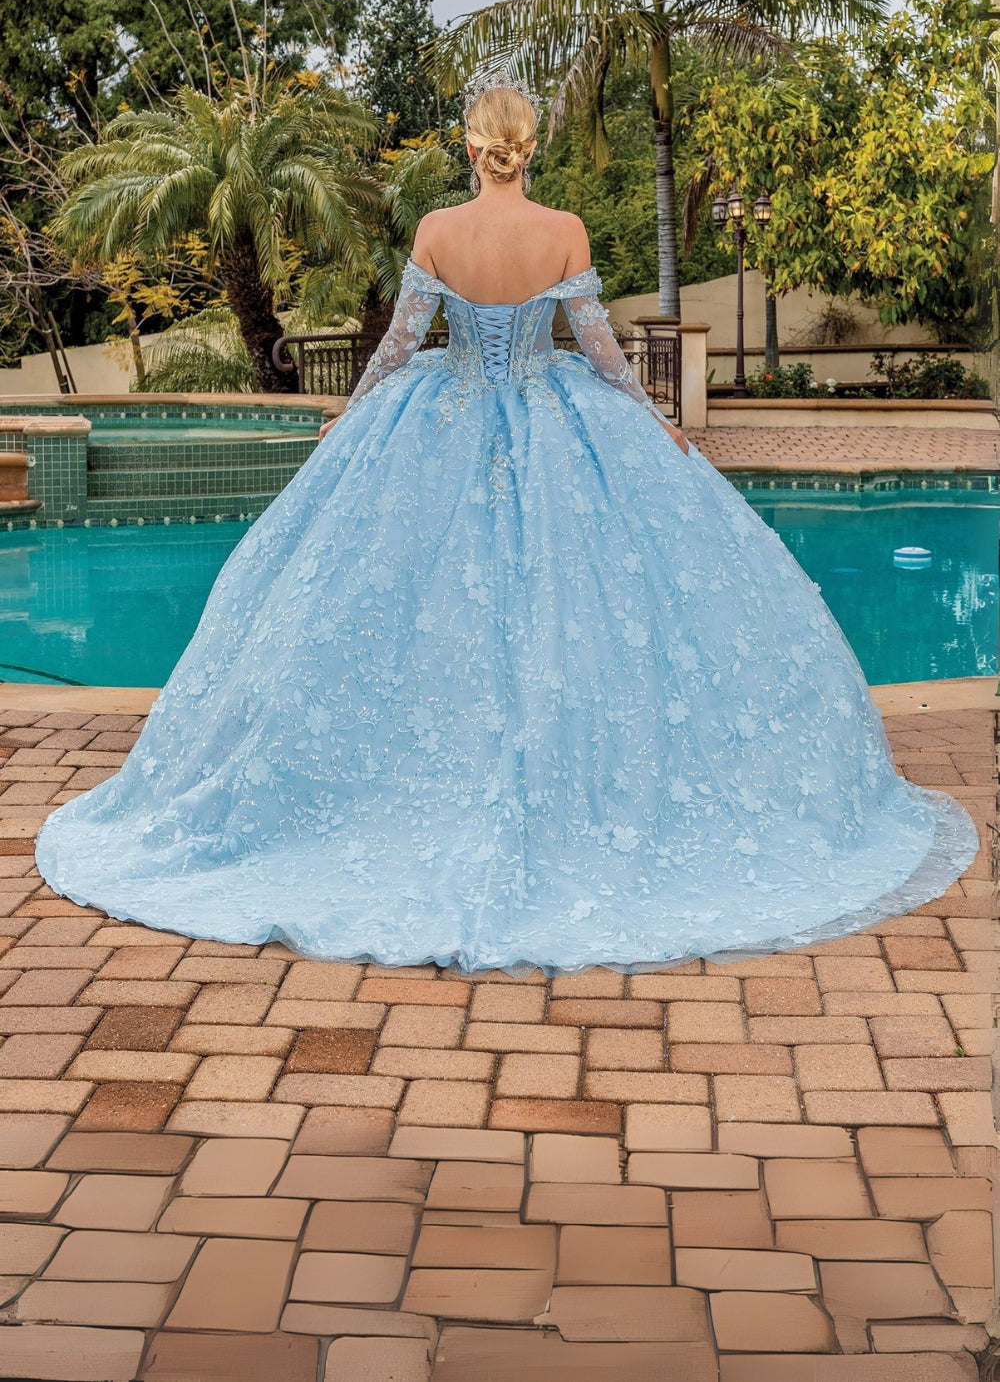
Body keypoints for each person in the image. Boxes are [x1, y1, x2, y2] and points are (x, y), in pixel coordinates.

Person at [35, 74, 977, 975]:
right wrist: (657, 423)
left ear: (472, 149)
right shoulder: (564, 229)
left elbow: (403, 343)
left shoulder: (439, 230)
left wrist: (352, 414)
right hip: (552, 413)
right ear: (529, 150)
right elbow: (601, 351)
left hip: (437, 420)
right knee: (574, 605)